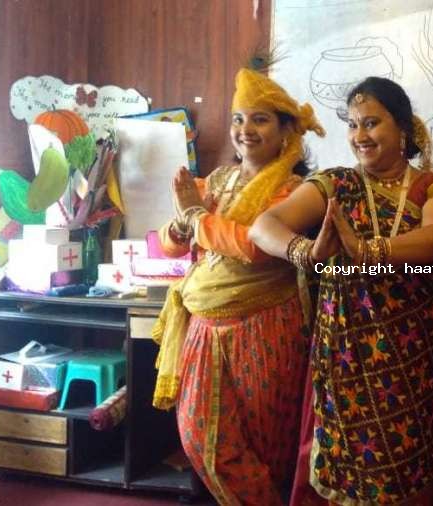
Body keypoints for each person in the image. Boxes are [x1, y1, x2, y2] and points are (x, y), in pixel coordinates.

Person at [250, 77, 433, 505]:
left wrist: (367, 251)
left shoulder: (431, 186)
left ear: (403, 129)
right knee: (355, 457)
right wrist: (305, 251)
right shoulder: (336, 185)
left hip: (416, 350)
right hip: (349, 353)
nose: (359, 135)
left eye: (371, 123)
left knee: (410, 457)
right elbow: (263, 226)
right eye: (352, 124)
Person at [151, 63, 325, 505]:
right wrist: (182, 224)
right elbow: (170, 246)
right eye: (238, 119)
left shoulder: (296, 191)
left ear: (286, 131)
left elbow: (253, 247)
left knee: (266, 442)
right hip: (203, 328)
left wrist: (196, 217)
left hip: (265, 327)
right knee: (198, 435)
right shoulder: (216, 181)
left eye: (259, 119)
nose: (245, 130)